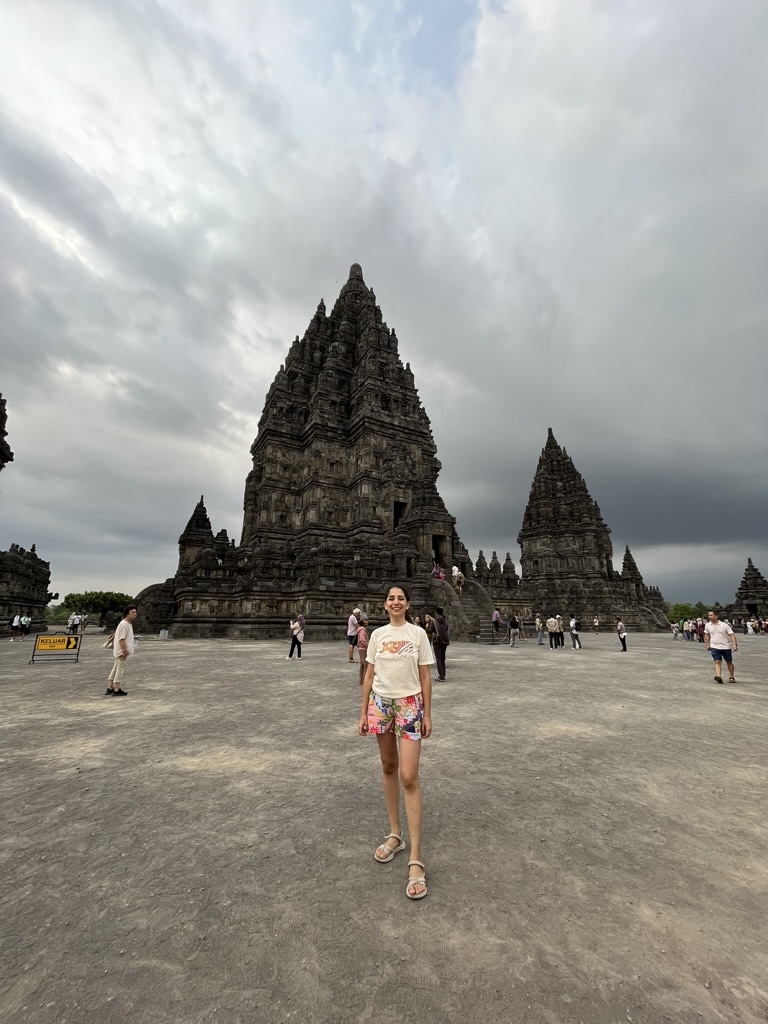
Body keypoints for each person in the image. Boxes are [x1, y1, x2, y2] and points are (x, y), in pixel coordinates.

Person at [358, 584, 433, 900]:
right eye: (391, 598)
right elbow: (369, 675)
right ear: (384, 605)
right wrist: (362, 712)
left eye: (401, 598)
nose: (396, 601)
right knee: (389, 766)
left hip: (410, 705)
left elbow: (426, 676)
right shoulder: (377, 635)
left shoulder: (418, 634)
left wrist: (428, 714)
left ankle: (416, 858)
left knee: (408, 775)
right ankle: (395, 835)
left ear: (407, 604)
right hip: (380, 704)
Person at [105, 605, 138, 696]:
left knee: (116, 668)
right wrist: (124, 651)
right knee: (120, 669)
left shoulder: (127, 623)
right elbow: (121, 639)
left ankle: (110, 687)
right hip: (122, 651)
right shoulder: (124, 624)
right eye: (132, 612)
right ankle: (116, 688)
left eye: (135, 612)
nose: (135, 614)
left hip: (120, 650)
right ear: (127, 613)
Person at [705, 609, 737, 683]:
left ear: (716, 616)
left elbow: (731, 634)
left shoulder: (724, 625)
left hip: (725, 646)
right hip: (714, 646)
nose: (709, 617)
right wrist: (707, 644)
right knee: (717, 661)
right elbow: (706, 634)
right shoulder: (707, 625)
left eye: (711, 615)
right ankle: (718, 676)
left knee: (729, 661)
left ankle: (731, 676)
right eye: (708, 615)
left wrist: (734, 644)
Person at [432, 606, 450, 681]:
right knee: (443, 658)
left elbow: (430, 629)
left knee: (438, 658)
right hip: (445, 640)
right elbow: (446, 629)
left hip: (437, 641)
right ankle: (443, 675)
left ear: (436, 612)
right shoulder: (445, 621)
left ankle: (441, 676)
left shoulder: (434, 621)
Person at [356, 615, 369, 685]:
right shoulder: (362, 630)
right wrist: (368, 645)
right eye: (365, 620)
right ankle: (364, 680)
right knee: (365, 665)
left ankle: (361, 680)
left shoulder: (361, 629)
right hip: (363, 648)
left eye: (367, 620)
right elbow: (362, 639)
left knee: (362, 665)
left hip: (361, 648)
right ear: (362, 621)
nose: (366, 621)